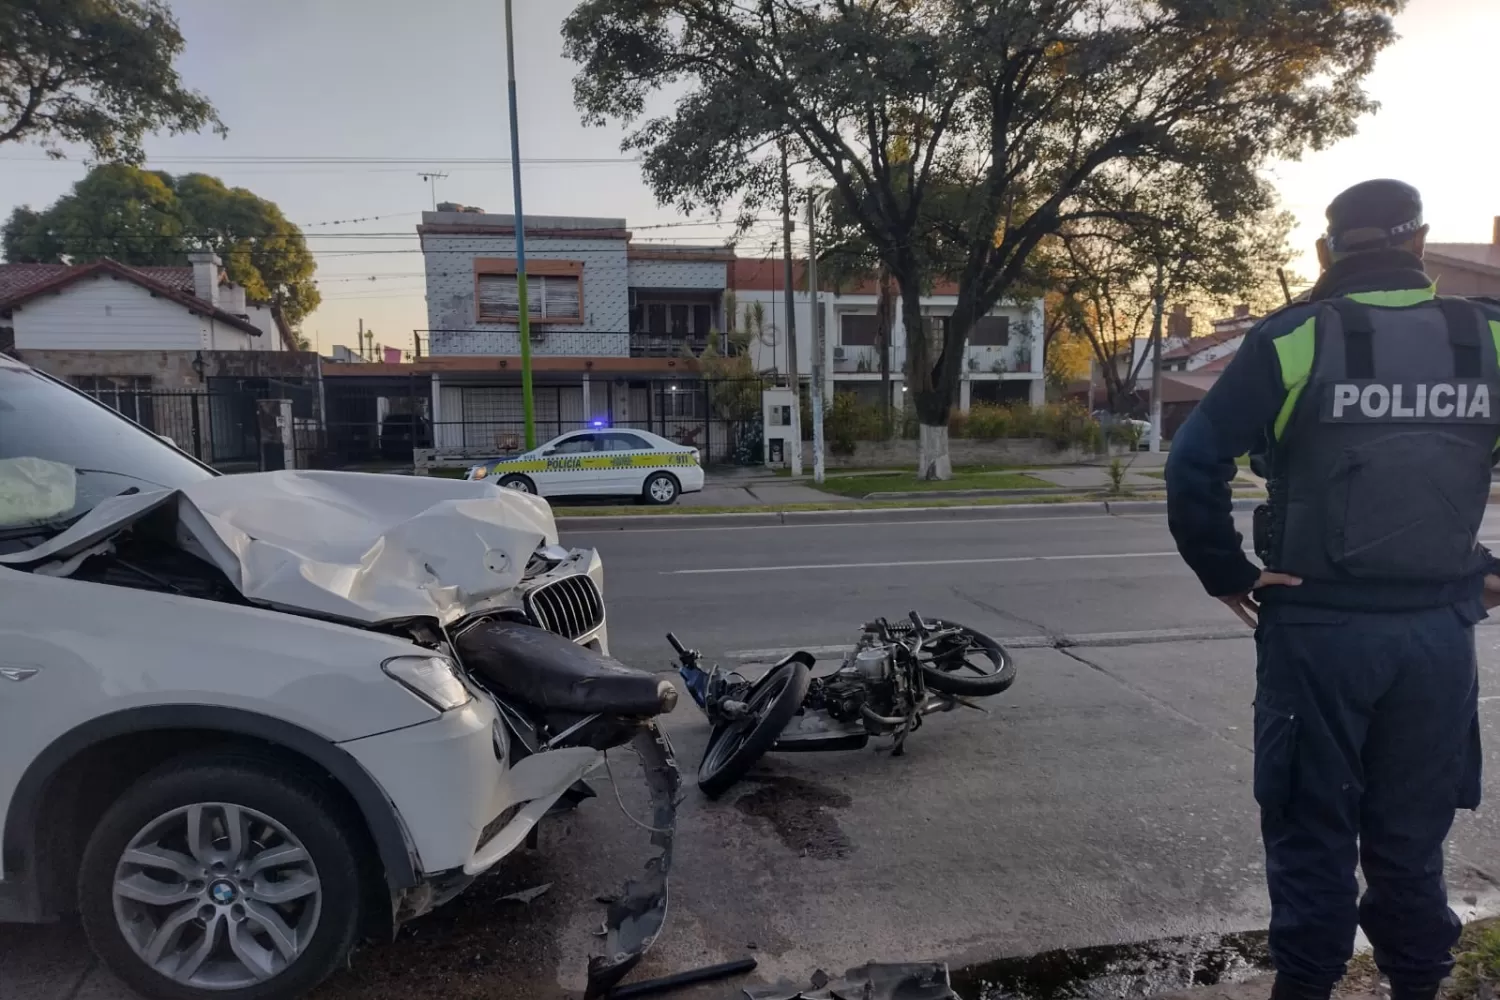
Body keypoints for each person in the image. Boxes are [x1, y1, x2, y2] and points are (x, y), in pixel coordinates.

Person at [1166, 179, 1500, 1000]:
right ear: (1420, 245)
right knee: (1411, 840)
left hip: (1315, 632)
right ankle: (1418, 985)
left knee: (1311, 832)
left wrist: (1228, 574)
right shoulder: (1487, 337)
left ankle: (1308, 987)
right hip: (1436, 638)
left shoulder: (1293, 339)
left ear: (1327, 252)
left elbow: (1192, 463)